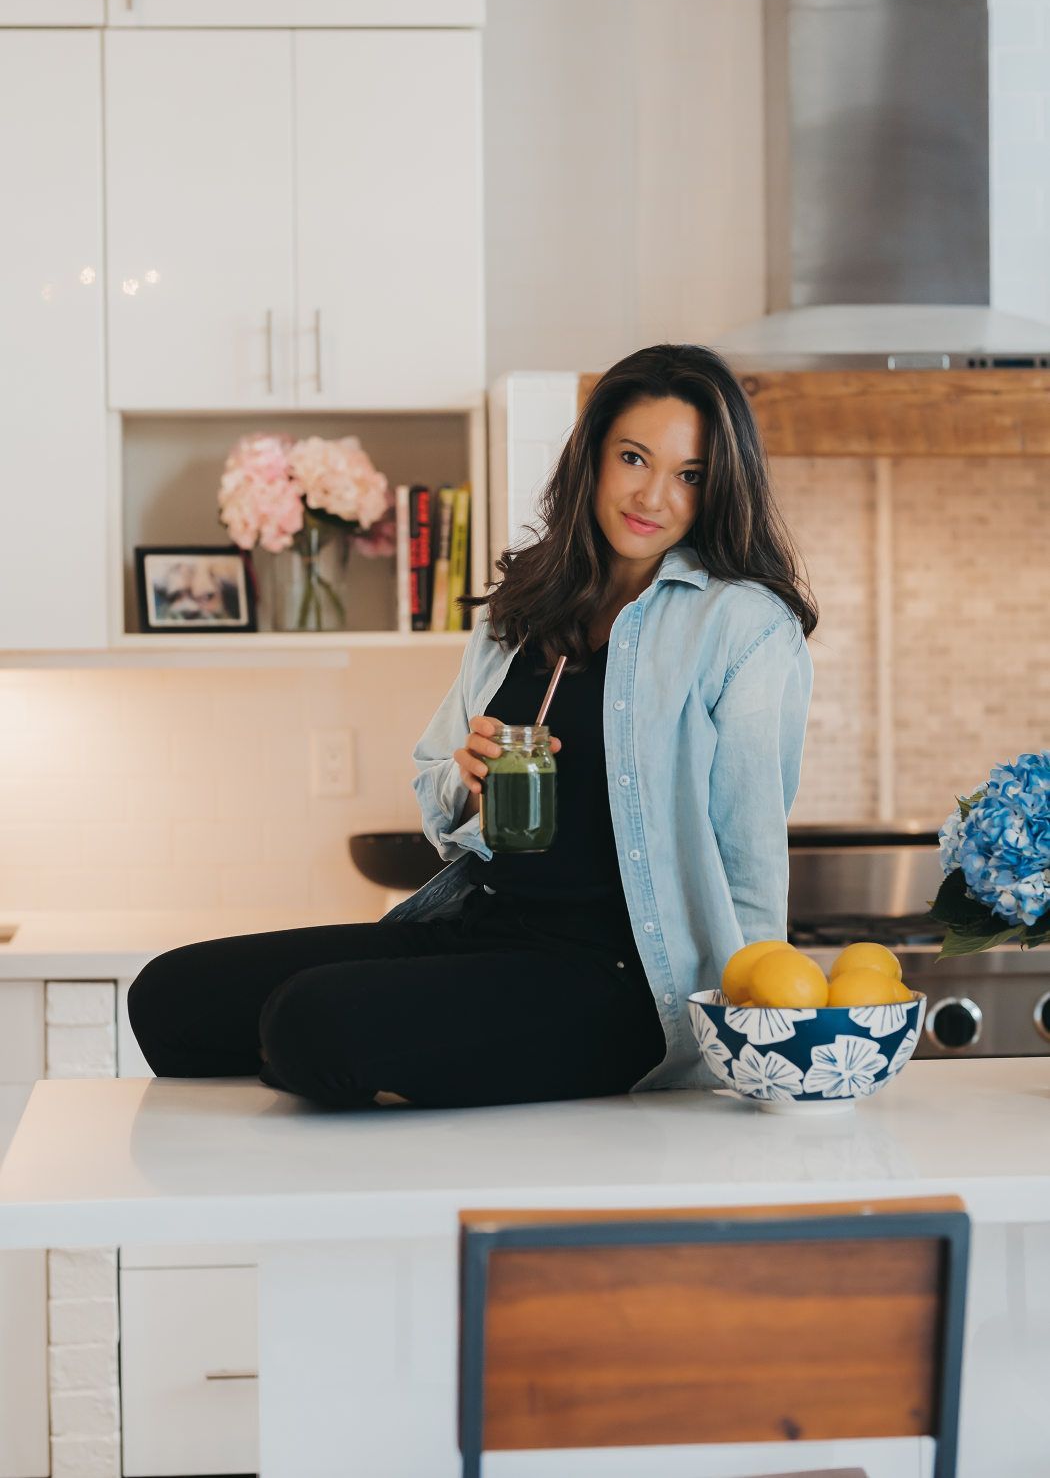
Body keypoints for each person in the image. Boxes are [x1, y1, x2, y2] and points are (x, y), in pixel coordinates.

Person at [127, 343, 817, 1110]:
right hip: (477, 924)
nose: (653, 494)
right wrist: (470, 781)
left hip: (617, 978)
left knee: (308, 1020)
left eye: (689, 475)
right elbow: (435, 788)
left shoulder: (743, 624)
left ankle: (359, 1064)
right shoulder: (526, 604)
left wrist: (758, 1047)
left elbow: (751, 855)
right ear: (592, 458)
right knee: (169, 996)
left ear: (718, 488)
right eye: (633, 457)